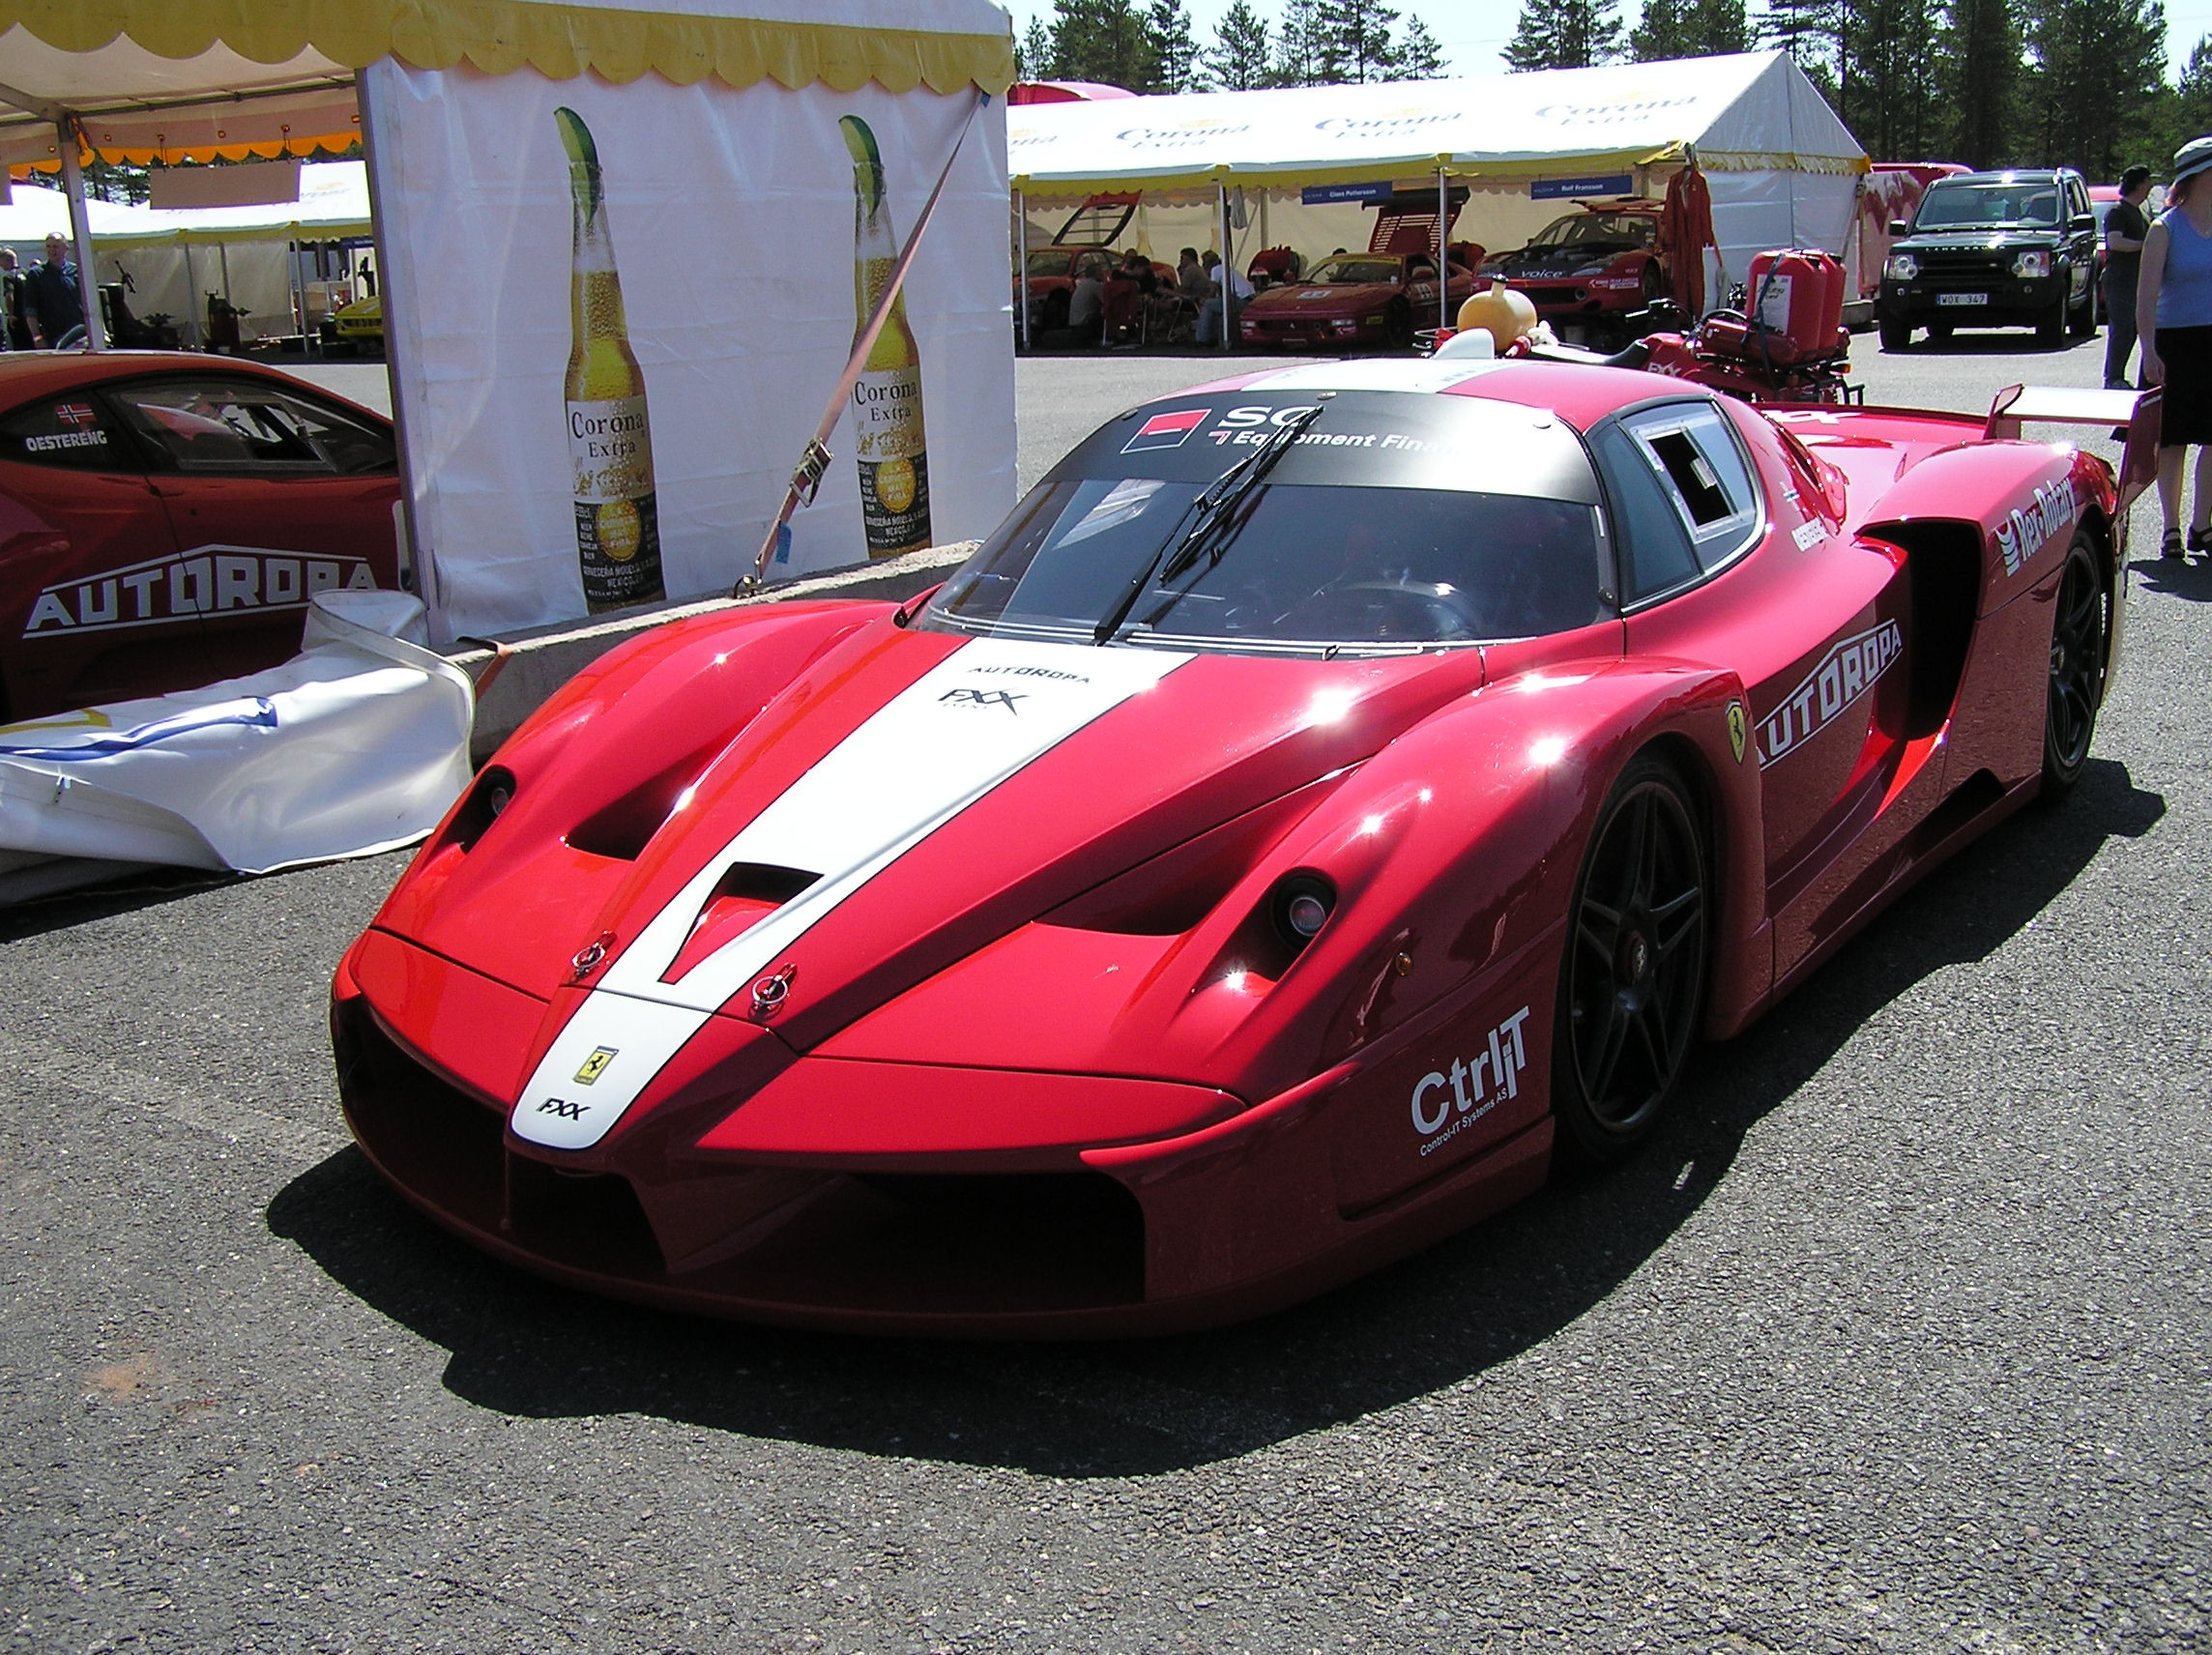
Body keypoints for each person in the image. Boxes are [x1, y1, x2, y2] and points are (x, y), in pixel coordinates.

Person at [2139, 137, 2212, 559]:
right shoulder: (2163, 228)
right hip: (2174, 344)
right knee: (2173, 440)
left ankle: (2203, 525)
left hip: (2211, 340)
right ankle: (2170, 528)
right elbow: (2145, 299)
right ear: (2203, 175)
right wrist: (2149, 350)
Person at [2105, 165, 2155, 390]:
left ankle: (2126, 377)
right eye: (2148, 181)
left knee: (2135, 328)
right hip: (2120, 280)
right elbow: (2115, 242)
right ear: (2138, 183)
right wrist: (2146, 246)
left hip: (2136, 279)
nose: (2151, 186)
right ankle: (2113, 377)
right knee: (2122, 328)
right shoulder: (2117, 212)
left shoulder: (2141, 212)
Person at [22, 232, 84, 348]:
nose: (52, 250)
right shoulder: (36, 274)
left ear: (66, 248)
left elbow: (90, 303)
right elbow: (31, 310)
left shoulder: (77, 271)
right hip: (53, 335)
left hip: (80, 333)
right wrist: (37, 337)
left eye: (55, 247)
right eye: (48, 247)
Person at [1195, 251, 1252, 345]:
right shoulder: (1227, 269)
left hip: (1240, 301)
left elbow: (1212, 291)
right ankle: (1213, 337)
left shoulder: (1216, 270)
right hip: (1247, 300)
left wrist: (1202, 300)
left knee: (1207, 304)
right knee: (1217, 310)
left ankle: (1202, 338)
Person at [1064, 259, 1106, 345]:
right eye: (1101, 271)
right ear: (1096, 273)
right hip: (1084, 326)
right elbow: (1106, 301)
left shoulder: (1082, 285)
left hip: (1074, 324)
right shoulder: (1095, 285)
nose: (1103, 273)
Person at [0, 249, 28, 351]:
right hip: (30, 318)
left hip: (18, 318)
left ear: (7, 260)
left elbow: (9, 295)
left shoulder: (9, 277)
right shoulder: (28, 274)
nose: (1, 265)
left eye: (1, 262)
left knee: (20, 348)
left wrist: (11, 315)